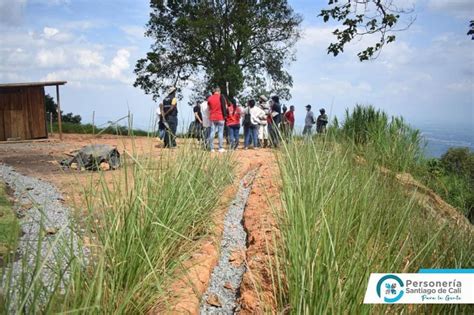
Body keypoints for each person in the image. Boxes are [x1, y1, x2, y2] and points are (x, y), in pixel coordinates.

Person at [207, 87, 227, 152]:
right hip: (220, 117)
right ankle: (220, 148)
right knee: (220, 132)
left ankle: (212, 148)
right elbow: (226, 107)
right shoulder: (221, 97)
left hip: (212, 117)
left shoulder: (210, 98)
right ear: (219, 91)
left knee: (212, 132)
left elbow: (208, 108)